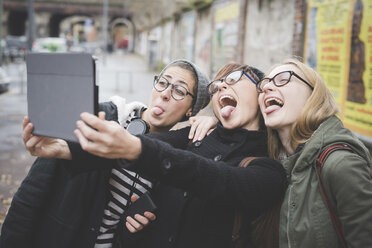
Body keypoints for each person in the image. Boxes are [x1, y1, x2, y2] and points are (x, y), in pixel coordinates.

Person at [72, 63, 287, 248]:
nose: (221, 86)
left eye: (232, 78)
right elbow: (149, 145)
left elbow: (214, 178)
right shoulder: (193, 136)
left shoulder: (268, 169)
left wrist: (137, 149)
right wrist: (66, 149)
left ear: (261, 93)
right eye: (216, 85)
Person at [0, 59, 211, 248]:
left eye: (180, 91)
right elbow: (32, 191)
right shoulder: (99, 117)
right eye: (163, 82)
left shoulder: (171, 160)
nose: (165, 93)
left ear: (191, 110)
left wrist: (133, 232)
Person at [256, 58, 372, 248]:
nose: (267, 87)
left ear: (313, 95)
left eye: (283, 78)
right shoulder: (272, 160)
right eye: (264, 84)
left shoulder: (340, 164)